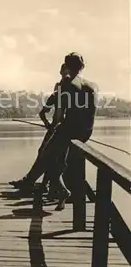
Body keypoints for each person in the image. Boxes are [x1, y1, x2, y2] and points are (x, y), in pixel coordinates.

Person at [19, 52, 97, 211]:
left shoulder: (66, 85)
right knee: (58, 162)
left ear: (67, 66)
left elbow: (60, 115)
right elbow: (90, 114)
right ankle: (55, 189)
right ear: (83, 67)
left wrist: (54, 130)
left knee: (45, 157)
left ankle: (62, 191)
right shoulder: (92, 86)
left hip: (68, 130)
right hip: (86, 132)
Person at [9, 63, 70, 193]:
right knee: (44, 154)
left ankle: (37, 183)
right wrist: (48, 125)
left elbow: (43, 114)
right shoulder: (56, 96)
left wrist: (49, 124)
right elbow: (43, 113)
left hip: (59, 131)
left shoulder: (65, 95)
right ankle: (35, 183)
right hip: (55, 130)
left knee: (47, 156)